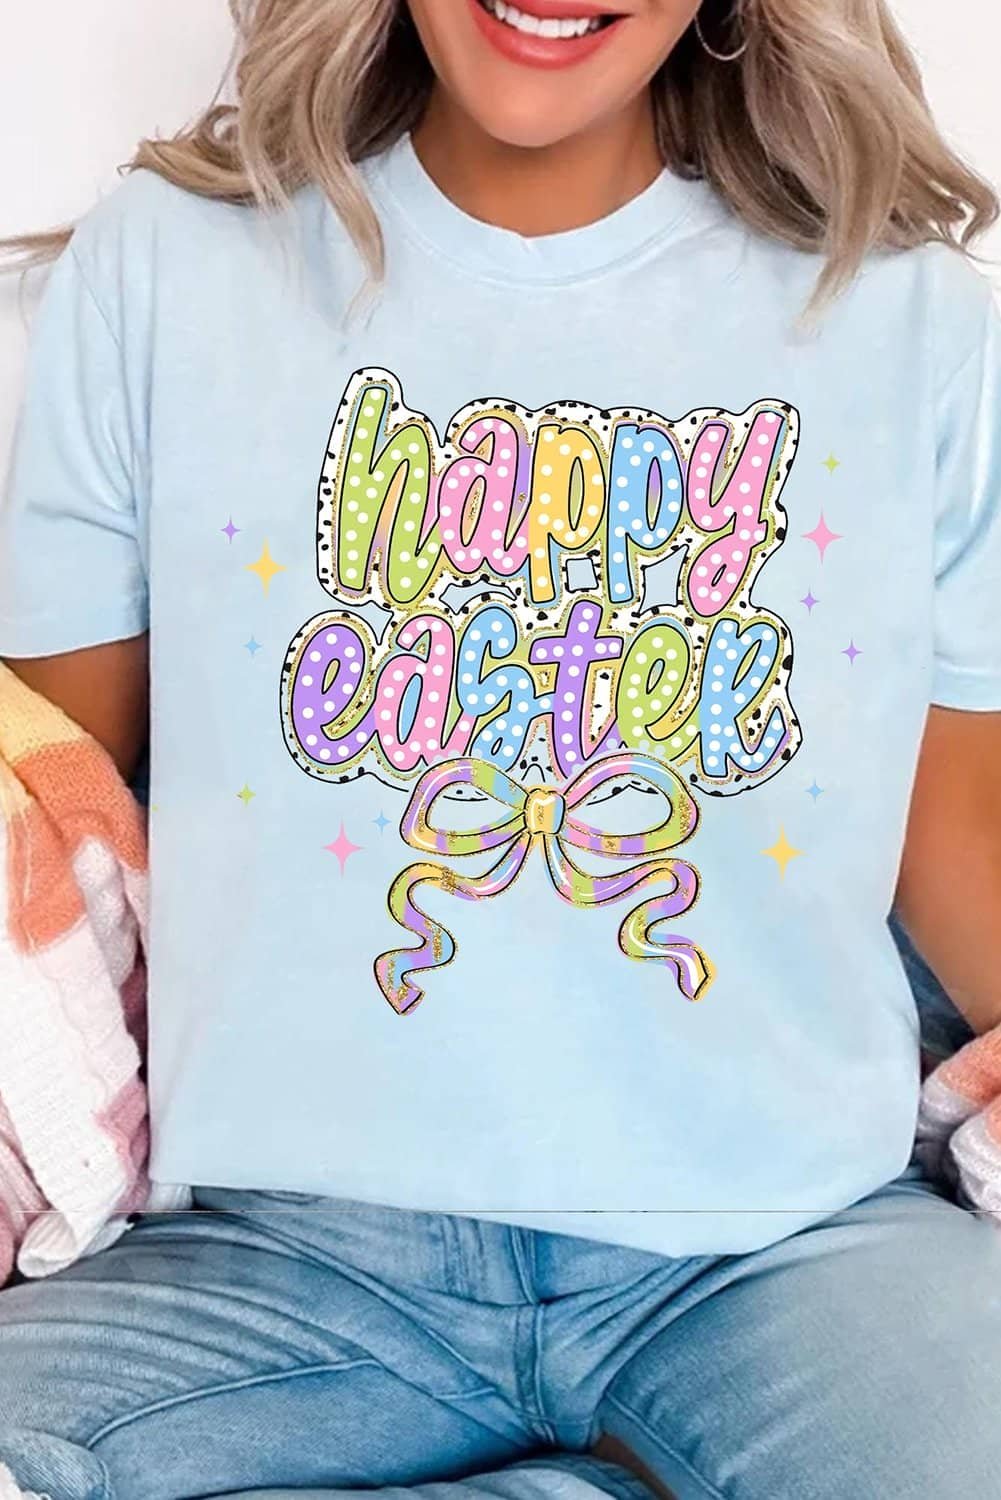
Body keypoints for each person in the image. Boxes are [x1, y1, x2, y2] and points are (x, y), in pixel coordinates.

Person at [1, 1, 1000, 1496]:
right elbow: (49, 812)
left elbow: (957, 827)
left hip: (783, 1249)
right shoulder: (165, 264)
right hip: (274, 1260)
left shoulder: (912, 321)